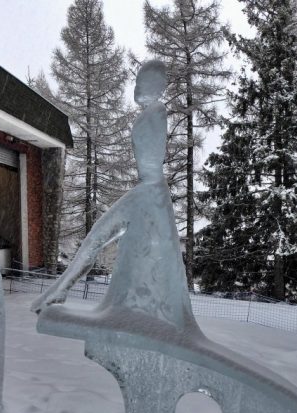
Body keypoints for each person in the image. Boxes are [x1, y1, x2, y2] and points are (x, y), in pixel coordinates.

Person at [31, 60, 198, 333]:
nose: (136, 86)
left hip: (150, 193)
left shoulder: (157, 112)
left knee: (98, 235)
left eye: (141, 81)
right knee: (98, 235)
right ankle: (58, 290)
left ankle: (59, 290)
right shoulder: (150, 114)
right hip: (148, 192)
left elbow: (154, 159)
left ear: (157, 86)